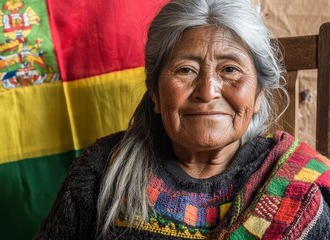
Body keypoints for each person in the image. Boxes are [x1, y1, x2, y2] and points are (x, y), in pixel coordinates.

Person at [35, 0, 330, 239]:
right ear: (154, 93)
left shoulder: (298, 191)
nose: (207, 91)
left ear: (259, 95)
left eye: (229, 69)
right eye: (186, 70)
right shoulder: (100, 170)